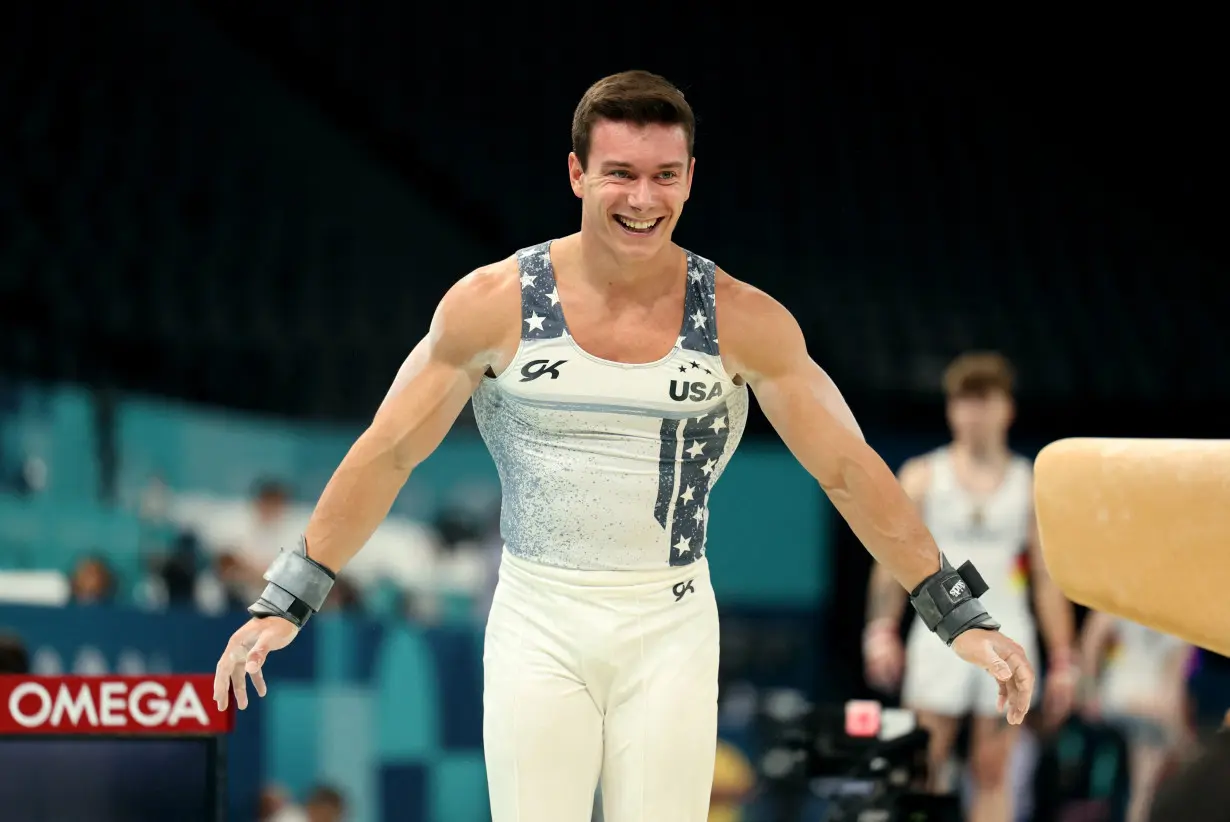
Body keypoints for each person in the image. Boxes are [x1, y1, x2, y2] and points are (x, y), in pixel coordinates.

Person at [214, 70, 1037, 822]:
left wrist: (954, 613)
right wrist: (287, 599)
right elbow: (388, 450)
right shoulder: (491, 305)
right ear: (576, 175)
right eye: (621, 173)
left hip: (668, 627)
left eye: (664, 176)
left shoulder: (745, 321)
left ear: (689, 180)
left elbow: (849, 468)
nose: (643, 199)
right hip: (539, 618)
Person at [862, 352, 1076, 822]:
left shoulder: (1030, 485)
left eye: (985, 400)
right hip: (939, 633)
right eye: (965, 400)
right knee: (921, 765)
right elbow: (891, 561)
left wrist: (1063, 658)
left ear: (1007, 409)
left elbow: (1047, 578)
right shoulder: (922, 477)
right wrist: (881, 629)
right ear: (950, 409)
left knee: (994, 773)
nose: (974, 413)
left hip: (1008, 629)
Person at [1080, 612, 1193, 822]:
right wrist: (1182, 739)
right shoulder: (1185, 620)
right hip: (1140, 707)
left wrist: (1090, 690)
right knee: (1145, 787)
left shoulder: (1127, 597)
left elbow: (1092, 638)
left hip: (1115, 696)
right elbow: (1173, 689)